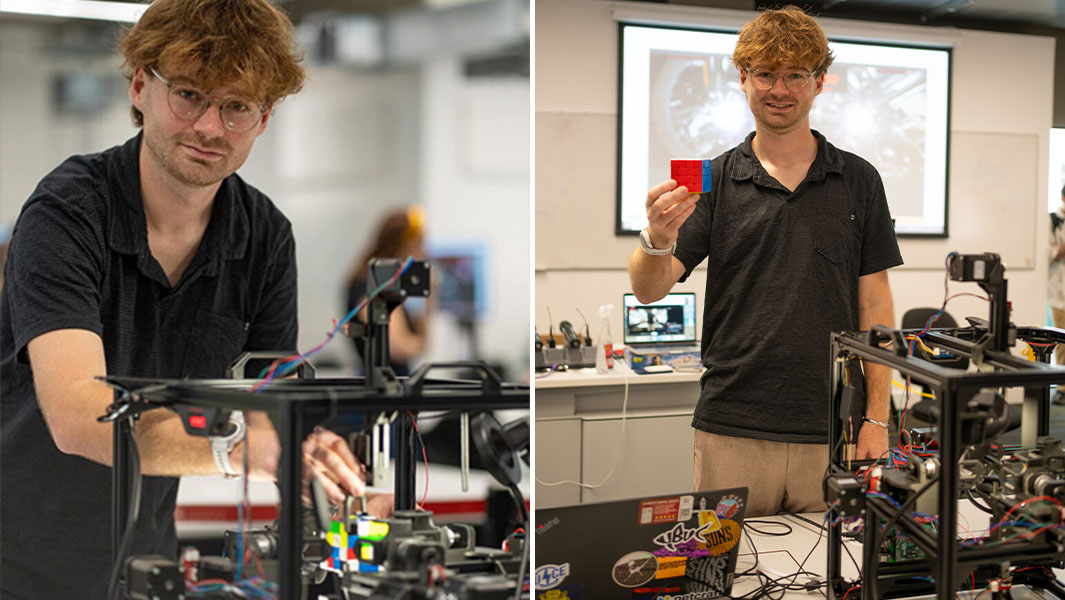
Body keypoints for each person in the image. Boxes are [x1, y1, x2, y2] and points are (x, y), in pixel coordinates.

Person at [0, 2, 381, 598]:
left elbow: (267, 407)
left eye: (237, 106)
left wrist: (317, 468)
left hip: (145, 561)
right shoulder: (68, 213)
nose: (209, 127)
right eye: (188, 94)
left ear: (264, 117)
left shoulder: (264, 237)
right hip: (16, 558)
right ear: (140, 86)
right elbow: (79, 416)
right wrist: (243, 450)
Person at [628, 6, 903, 517]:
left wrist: (877, 418)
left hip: (832, 426)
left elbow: (875, 305)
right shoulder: (712, 179)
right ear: (743, 78)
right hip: (732, 426)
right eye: (766, 74)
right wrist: (657, 239)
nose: (780, 89)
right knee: (724, 564)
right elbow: (649, 289)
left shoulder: (860, 180)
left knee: (834, 565)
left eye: (795, 74)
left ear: (818, 82)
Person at [344, 207, 431, 376]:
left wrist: (429, 301)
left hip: (388, 380)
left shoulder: (374, 282)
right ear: (403, 247)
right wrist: (419, 344)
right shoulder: (374, 286)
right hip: (382, 383)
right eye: (419, 246)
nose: (423, 254)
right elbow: (399, 348)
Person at [1050, 184, 1065, 403]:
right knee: (1062, 340)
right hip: (1059, 293)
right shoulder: (1051, 220)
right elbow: (1046, 254)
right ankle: (1062, 387)